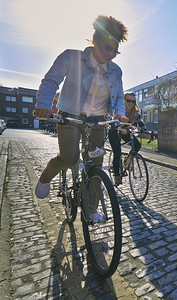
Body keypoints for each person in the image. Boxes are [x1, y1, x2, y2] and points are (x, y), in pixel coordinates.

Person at [34, 15, 129, 222]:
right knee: (70, 158)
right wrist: (43, 105)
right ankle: (46, 176)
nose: (111, 55)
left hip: (98, 121)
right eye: (107, 48)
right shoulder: (71, 57)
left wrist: (119, 113)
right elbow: (51, 81)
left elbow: (119, 96)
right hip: (70, 117)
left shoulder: (116, 71)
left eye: (115, 50)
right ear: (95, 41)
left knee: (95, 166)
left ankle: (92, 210)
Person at [109, 92, 155, 186]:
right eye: (128, 101)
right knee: (117, 153)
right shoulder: (119, 110)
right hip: (114, 131)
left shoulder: (136, 112)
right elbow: (113, 122)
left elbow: (141, 124)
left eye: (133, 101)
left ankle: (127, 160)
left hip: (127, 132)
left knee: (137, 145)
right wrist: (120, 129)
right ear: (124, 101)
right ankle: (117, 176)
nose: (131, 103)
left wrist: (148, 135)